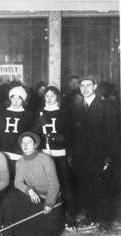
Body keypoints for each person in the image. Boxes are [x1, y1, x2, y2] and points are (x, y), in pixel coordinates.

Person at [68, 75, 117, 230]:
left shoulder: (105, 107)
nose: (85, 89)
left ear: (95, 86)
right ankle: (90, 217)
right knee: (85, 186)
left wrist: (109, 158)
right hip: (81, 156)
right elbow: (73, 134)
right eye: (82, 86)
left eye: (88, 85)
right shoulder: (76, 107)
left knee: (101, 187)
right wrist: (71, 154)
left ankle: (104, 220)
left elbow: (112, 134)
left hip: (100, 156)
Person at [0, 132, 64, 236]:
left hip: (49, 202)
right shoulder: (20, 162)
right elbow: (17, 183)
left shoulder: (45, 159)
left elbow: (54, 184)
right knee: (11, 198)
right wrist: (29, 190)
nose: (25, 145)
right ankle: (5, 231)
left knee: (48, 231)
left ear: (35, 144)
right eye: (23, 143)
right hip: (34, 198)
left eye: (29, 142)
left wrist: (49, 203)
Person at [33, 86, 76, 227]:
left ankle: (69, 215)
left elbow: (70, 134)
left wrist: (55, 138)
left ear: (57, 97)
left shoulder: (63, 113)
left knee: (65, 184)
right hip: (45, 154)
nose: (49, 98)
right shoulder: (40, 113)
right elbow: (34, 134)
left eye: (52, 95)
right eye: (47, 96)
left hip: (60, 154)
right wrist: (39, 129)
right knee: (48, 184)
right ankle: (49, 214)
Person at [0, 85, 35, 180]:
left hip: (18, 151)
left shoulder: (28, 114)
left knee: (17, 178)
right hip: (3, 148)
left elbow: (29, 134)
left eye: (19, 98)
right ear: (10, 99)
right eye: (13, 98)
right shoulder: (1, 113)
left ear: (23, 100)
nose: (16, 101)